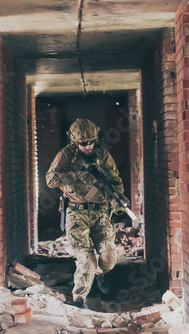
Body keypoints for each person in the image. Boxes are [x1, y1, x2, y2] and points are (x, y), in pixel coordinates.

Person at [46, 118, 127, 309]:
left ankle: (99, 273)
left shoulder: (103, 156)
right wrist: (75, 173)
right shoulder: (66, 155)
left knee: (107, 261)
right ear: (75, 142)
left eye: (91, 142)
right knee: (86, 260)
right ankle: (79, 299)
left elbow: (115, 181)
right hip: (76, 212)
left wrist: (118, 200)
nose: (88, 146)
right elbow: (51, 179)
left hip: (100, 212)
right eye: (83, 143)